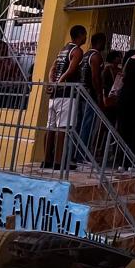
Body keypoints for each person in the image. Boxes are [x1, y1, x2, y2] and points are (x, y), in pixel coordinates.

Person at [43, 25, 86, 169]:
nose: (86, 38)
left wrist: (52, 82)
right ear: (81, 35)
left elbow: (52, 68)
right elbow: (72, 69)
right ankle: (58, 162)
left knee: (50, 127)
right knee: (62, 129)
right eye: (85, 35)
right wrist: (60, 81)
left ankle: (46, 160)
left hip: (55, 95)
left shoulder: (63, 50)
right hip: (66, 94)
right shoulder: (77, 51)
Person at [77, 33, 107, 158]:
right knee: (87, 125)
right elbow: (95, 78)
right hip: (90, 94)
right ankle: (82, 154)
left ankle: (77, 153)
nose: (106, 44)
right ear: (100, 42)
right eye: (104, 42)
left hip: (82, 92)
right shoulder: (96, 56)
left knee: (81, 124)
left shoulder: (85, 55)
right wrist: (99, 94)